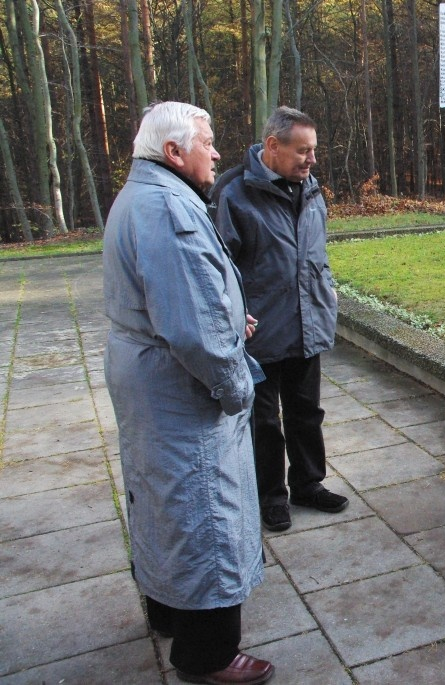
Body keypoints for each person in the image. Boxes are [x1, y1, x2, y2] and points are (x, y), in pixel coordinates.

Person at [103, 101, 274, 685]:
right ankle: (207, 654)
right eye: (207, 142)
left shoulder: (144, 195)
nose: (218, 152)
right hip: (180, 389)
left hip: (150, 375)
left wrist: (230, 320)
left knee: (162, 501)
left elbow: (183, 301)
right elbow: (193, 332)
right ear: (174, 152)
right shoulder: (169, 209)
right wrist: (236, 387)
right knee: (204, 509)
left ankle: (168, 610)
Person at [212, 106, 346, 532]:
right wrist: (234, 318)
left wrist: (326, 292)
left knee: (307, 412)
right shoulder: (233, 192)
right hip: (260, 332)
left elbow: (315, 254)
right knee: (263, 421)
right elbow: (218, 268)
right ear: (272, 146)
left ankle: (309, 483)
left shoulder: (311, 188)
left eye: (314, 151)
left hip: (308, 325)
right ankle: (270, 497)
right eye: (302, 151)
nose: (311, 160)